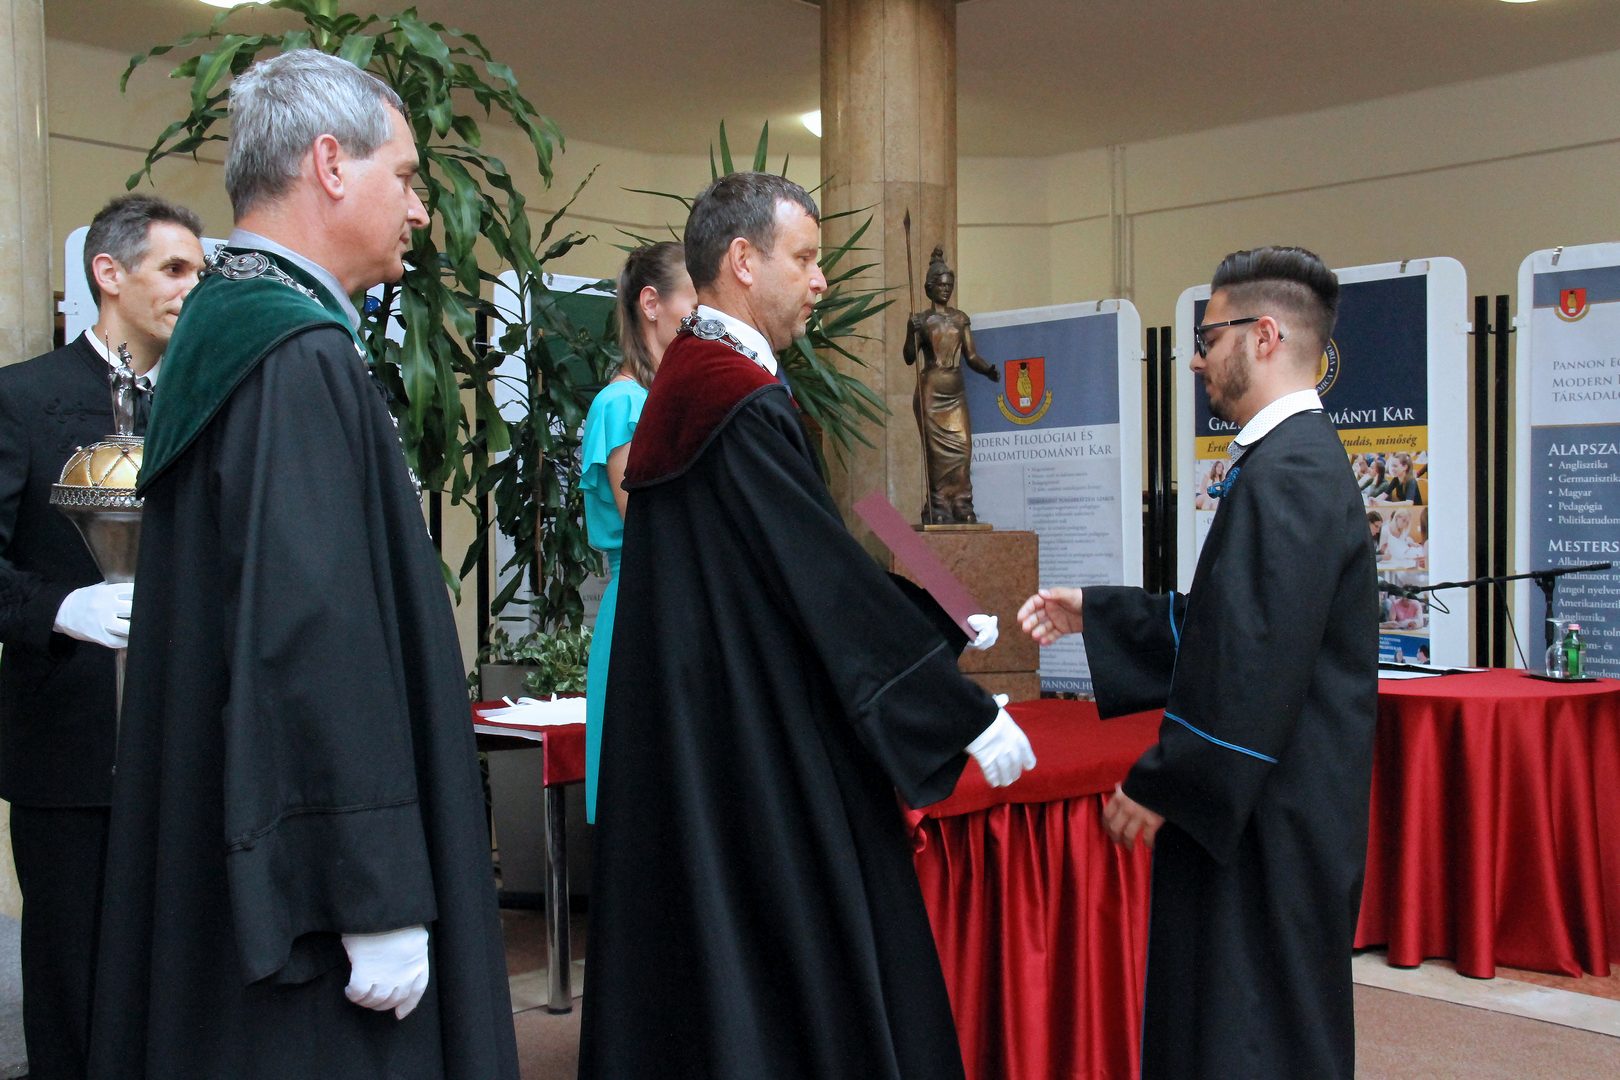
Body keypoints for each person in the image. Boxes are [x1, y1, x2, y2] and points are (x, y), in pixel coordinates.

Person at [86, 51, 517, 1080]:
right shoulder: (292, 353)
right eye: (404, 176)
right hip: (314, 924)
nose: (418, 209)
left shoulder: (231, 327)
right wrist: (373, 896)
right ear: (330, 164)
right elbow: (314, 631)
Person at [578, 172, 1033, 1080]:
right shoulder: (732, 395)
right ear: (744, 261)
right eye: (806, 258)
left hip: (712, 720)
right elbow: (815, 575)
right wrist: (960, 710)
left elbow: (784, 565)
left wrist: (937, 615)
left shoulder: (694, 382)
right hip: (756, 736)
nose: (821, 280)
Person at [1018, 246, 1377, 1079]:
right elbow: (1229, 623)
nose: (1194, 358)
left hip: (1268, 818)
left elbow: (1253, 663)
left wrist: (1169, 781)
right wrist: (1100, 612)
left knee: (1252, 1029)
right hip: (1272, 805)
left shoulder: (1289, 472)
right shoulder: (1294, 460)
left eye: (1207, 337)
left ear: (1263, 335)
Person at [0, 193, 204, 1080]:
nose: (192, 288)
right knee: (75, 992)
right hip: (70, 752)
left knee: (179, 988)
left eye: (199, 271)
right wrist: (59, 609)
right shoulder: (21, 397)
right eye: (175, 268)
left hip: (185, 749)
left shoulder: (200, 407)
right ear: (109, 274)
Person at [579, 241, 695, 823]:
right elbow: (648, 526)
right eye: (694, 301)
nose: (703, 319)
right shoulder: (622, 404)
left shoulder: (657, 398)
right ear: (652, 304)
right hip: (645, 604)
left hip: (672, 601)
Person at [903, 246, 998, 524]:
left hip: (954, 390)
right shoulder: (922, 320)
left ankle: (962, 503)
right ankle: (939, 506)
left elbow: (971, 356)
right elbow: (909, 357)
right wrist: (910, 331)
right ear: (928, 288)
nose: (945, 290)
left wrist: (988, 370)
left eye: (949, 286)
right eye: (941, 285)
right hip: (931, 390)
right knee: (936, 455)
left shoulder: (960, 318)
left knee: (963, 449)